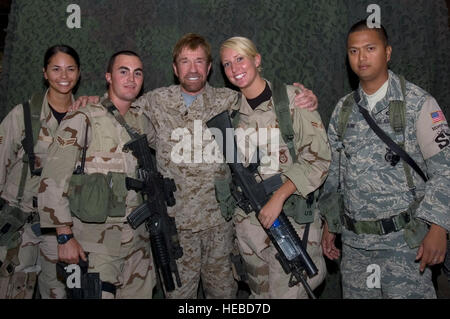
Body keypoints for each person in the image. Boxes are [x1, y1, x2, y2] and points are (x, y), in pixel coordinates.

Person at [130, 33, 320, 299]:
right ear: (175, 69)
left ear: (209, 68)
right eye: (185, 62)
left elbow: (269, 102)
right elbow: (119, 110)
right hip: (177, 227)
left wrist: (304, 98)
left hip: (222, 227)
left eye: (199, 61)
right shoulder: (154, 101)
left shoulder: (230, 101)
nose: (193, 69)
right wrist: (89, 101)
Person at [320, 20, 449, 299]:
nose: (362, 57)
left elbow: (446, 170)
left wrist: (439, 227)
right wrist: (330, 223)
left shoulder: (417, 103)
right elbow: (334, 175)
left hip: (405, 246)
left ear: (387, 52)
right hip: (356, 249)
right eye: (353, 51)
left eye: (370, 48)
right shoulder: (343, 110)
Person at [218, 36, 331, 298]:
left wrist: (279, 196)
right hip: (250, 232)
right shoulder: (231, 112)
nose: (234, 69)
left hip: (290, 222)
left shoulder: (292, 100)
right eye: (226, 64)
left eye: (240, 59)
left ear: (257, 60)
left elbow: (320, 159)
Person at [37, 50, 156, 299]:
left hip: (138, 245)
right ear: (109, 77)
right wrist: (64, 236)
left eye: (137, 73)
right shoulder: (83, 117)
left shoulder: (143, 123)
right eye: (123, 71)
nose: (131, 79)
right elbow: (52, 180)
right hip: (95, 246)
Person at [0, 45, 81, 299]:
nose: (63, 76)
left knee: (58, 292)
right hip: (19, 221)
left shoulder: (85, 118)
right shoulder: (22, 115)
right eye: (56, 69)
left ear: (79, 73)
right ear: (45, 73)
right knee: (14, 290)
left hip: (60, 227)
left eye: (70, 69)